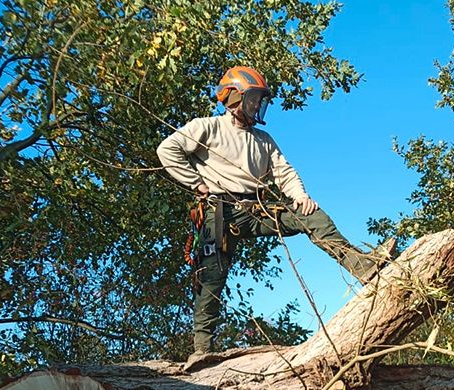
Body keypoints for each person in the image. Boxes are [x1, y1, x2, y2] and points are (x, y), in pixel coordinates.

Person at [156, 66, 394, 365]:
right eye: (253, 99)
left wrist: (300, 197)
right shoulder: (207, 127)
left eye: (260, 101)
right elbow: (168, 150)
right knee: (212, 273)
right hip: (219, 209)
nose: (257, 106)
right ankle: (202, 350)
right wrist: (197, 183)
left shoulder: (264, 139)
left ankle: (364, 266)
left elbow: (285, 172)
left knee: (312, 215)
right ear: (233, 97)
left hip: (255, 209)